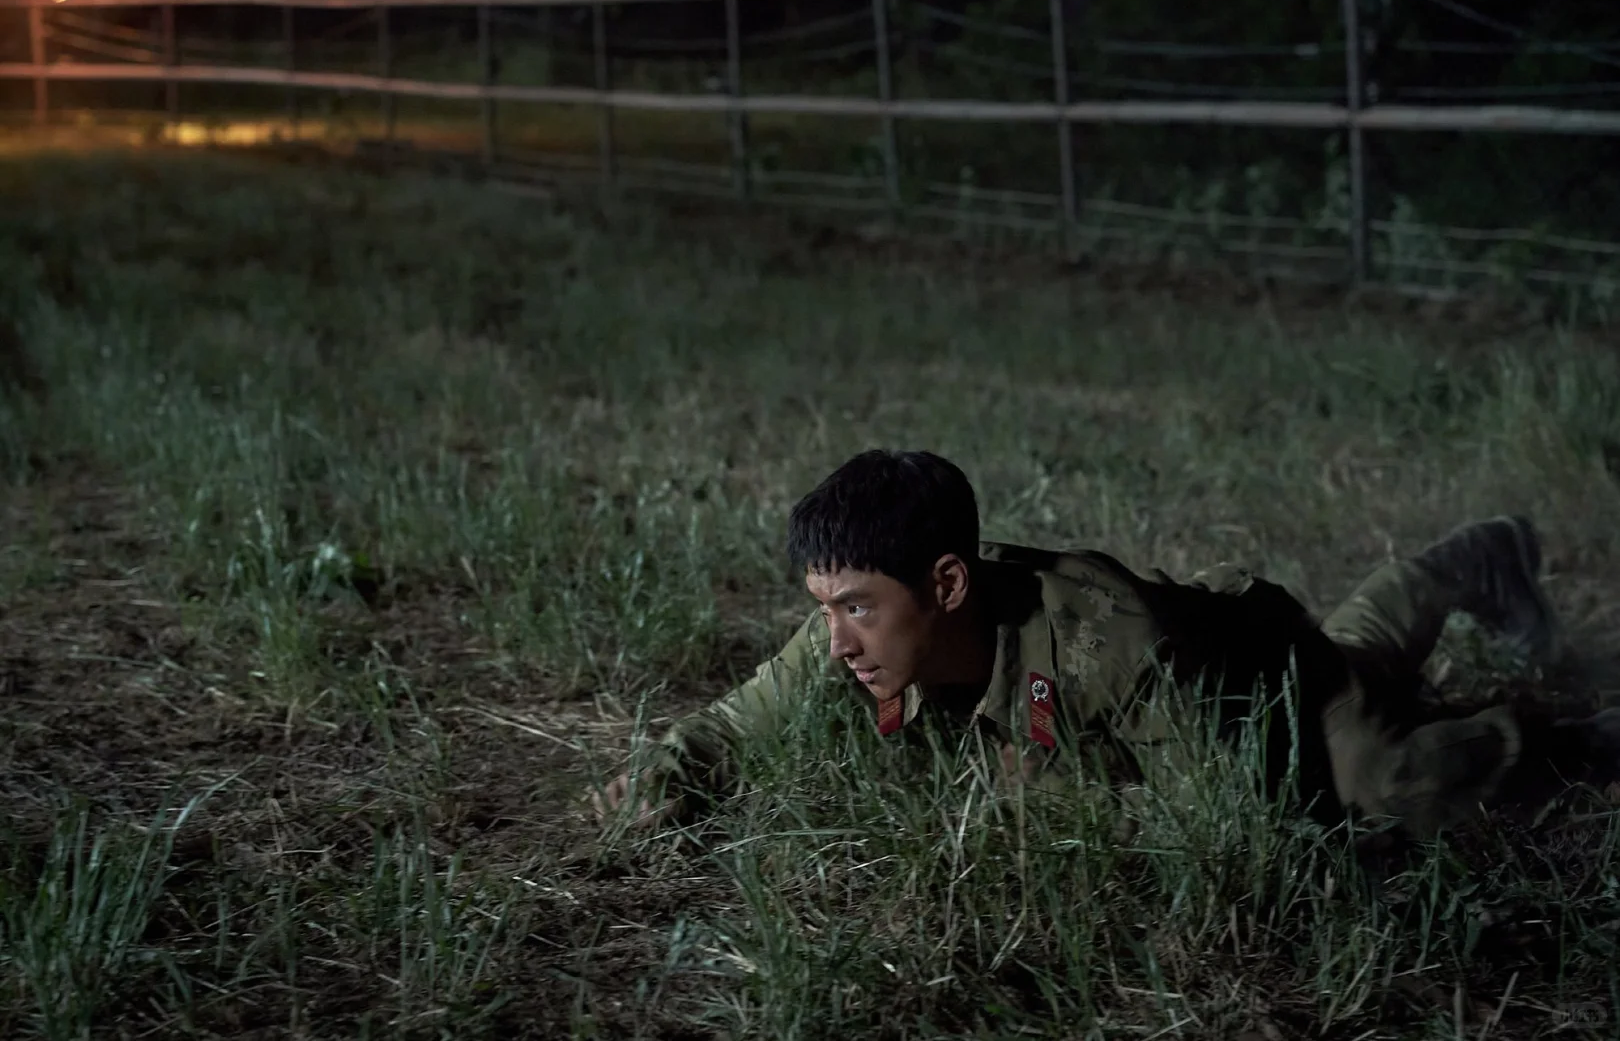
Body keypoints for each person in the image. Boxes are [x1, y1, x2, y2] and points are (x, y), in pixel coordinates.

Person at [589, 449, 1618, 838]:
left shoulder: (1102, 646)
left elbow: (1220, 820)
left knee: (1387, 780)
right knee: (1362, 655)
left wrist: (1029, 812)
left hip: (1258, 694)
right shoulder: (853, 635)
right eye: (823, 604)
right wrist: (660, 780)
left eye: (856, 605)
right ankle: (1470, 561)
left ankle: (1575, 739)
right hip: (1228, 661)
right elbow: (729, 727)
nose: (834, 636)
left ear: (945, 586)